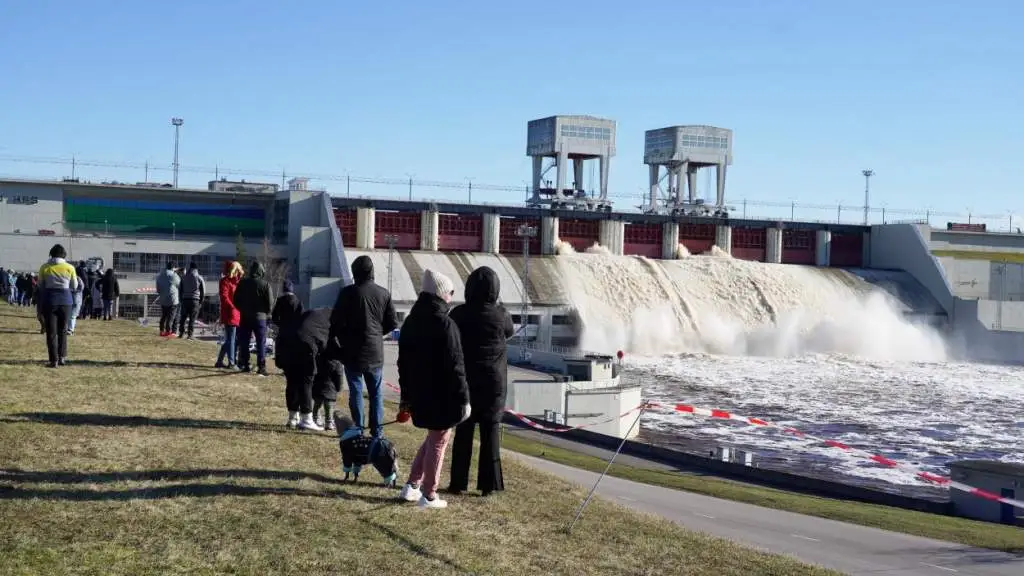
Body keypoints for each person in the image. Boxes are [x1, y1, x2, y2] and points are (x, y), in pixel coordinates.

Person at [396, 269, 471, 509]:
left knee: (432, 438)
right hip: (442, 395)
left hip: (419, 393)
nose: (451, 297)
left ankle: (412, 485)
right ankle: (429, 495)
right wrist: (464, 399)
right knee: (439, 441)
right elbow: (456, 366)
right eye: (450, 292)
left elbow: (402, 363)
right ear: (441, 294)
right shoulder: (445, 324)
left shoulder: (411, 321)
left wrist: (406, 396)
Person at [447, 266, 515, 496]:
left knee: (463, 433)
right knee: (490, 433)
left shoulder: (458, 314)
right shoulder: (502, 315)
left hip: (465, 381)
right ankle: (489, 485)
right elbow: (510, 332)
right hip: (494, 384)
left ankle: (458, 483)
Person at [329, 255, 398, 438]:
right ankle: (377, 430)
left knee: (356, 390)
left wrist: (342, 337)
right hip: (375, 351)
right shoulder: (384, 293)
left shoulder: (347, 293)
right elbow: (392, 323)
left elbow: (334, 321)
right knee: (376, 393)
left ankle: (358, 428)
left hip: (352, 350)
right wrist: (376, 333)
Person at [276, 307, 336, 431]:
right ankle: (307, 419)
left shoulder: (315, 313)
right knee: (306, 382)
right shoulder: (333, 318)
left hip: (287, 342)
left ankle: (293, 418)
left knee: (292, 382)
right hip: (305, 345)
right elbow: (328, 344)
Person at [37, 244, 77, 368]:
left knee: (51, 332)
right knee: (63, 331)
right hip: (66, 301)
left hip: (50, 300)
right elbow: (74, 286)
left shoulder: (45, 267)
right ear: (64, 255)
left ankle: (53, 360)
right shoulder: (70, 267)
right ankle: (62, 358)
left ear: (51, 254)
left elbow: (40, 284)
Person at [233, 260, 273, 376]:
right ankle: (261, 366)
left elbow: (235, 300)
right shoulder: (265, 285)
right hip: (260, 318)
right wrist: (266, 313)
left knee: (244, 341)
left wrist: (242, 309)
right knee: (261, 342)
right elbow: (270, 303)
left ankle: (245, 364)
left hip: (245, 316)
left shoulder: (242, 283)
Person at [215, 260, 243, 369]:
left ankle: (219, 361)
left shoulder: (235, 281)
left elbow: (240, 277)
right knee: (231, 339)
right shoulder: (225, 281)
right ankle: (231, 362)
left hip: (235, 313)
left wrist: (239, 271)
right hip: (230, 313)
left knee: (230, 340)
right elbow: (224, 297)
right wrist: (232, 307)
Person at [178, 262, 206, 339]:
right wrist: (201, 302)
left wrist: (181, 299)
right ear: (196, 269)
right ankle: (190, 335)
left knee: (183, 318)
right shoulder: (199, 277)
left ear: (190, 268)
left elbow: (180, 290)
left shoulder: (183, 277)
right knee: (192, 318)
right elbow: (203, 291)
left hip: (185, 299)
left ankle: (181, 333)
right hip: (195, 300)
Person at [155, 262, 180, 337]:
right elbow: (179, 285)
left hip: (163, 299)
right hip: (172, 299)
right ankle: (168, 331)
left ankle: (161, 330)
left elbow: (158, 289)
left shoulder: (160, 275)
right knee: (171, 317)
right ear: (173, 268)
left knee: (164, 316)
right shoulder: (174, 275)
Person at [67, 270, 85, 334]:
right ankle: (68, 328)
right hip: (69, 299)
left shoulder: (78, 279)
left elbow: (81, 288)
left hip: (75, 299)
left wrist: (71, 290)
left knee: (72, 315)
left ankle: (70, 329)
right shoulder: (69, 278)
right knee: (69, 315)